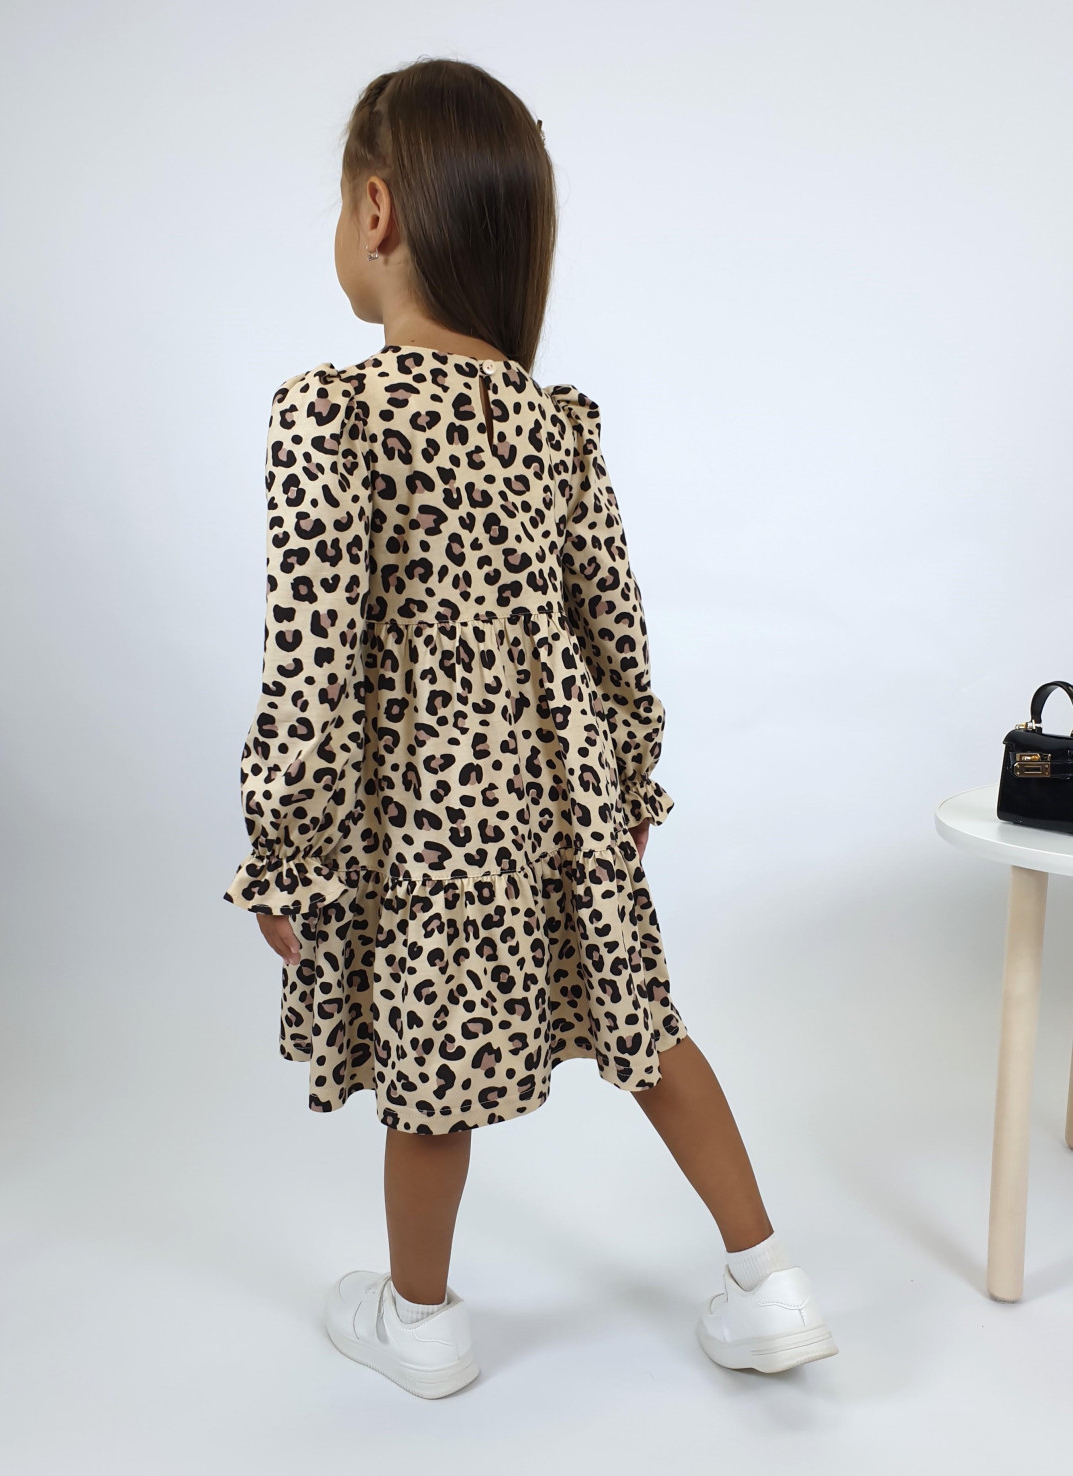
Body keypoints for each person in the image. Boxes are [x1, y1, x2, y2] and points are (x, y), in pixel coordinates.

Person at [223, 57, 837, 1398]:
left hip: (424, 826)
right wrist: (630, 789)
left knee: (430, 1071)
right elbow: (617, 631)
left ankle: (421, 1324)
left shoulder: (330, 414)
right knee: (646, 1028)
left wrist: (284, 852)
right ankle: (770, 1282)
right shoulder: (558, 428)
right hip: (563, 808)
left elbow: (310, 659)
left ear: (376, 211)